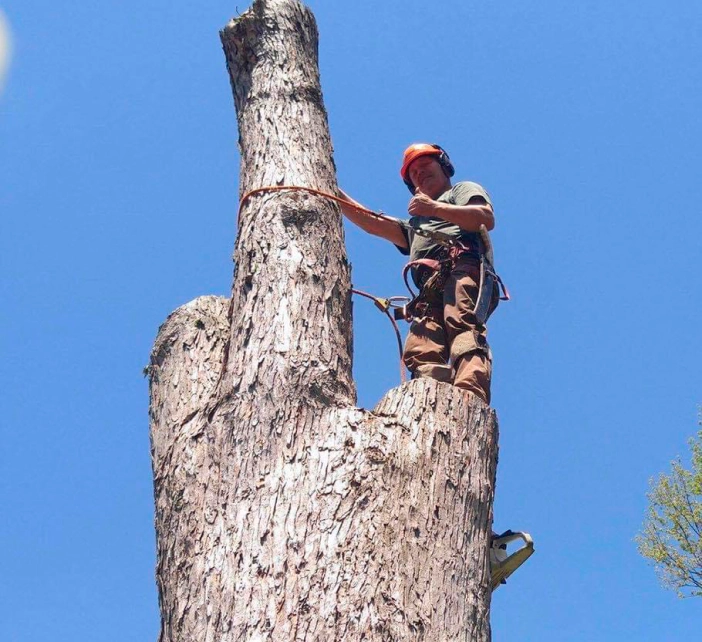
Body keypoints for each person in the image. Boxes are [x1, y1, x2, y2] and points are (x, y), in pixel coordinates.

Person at [339, 143, 501, 404]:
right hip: (430, 289)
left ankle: (470, 396)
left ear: (444, 167)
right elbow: (371, 222)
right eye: (413, 172)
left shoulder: (460, 191)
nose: (419, 173)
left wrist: (434, 209)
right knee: (421, 346)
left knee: (461, 324)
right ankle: (429, 401)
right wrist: (332, 191)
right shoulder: (416, 225)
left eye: (425, 166)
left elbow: (484, 218)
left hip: (462, 268)